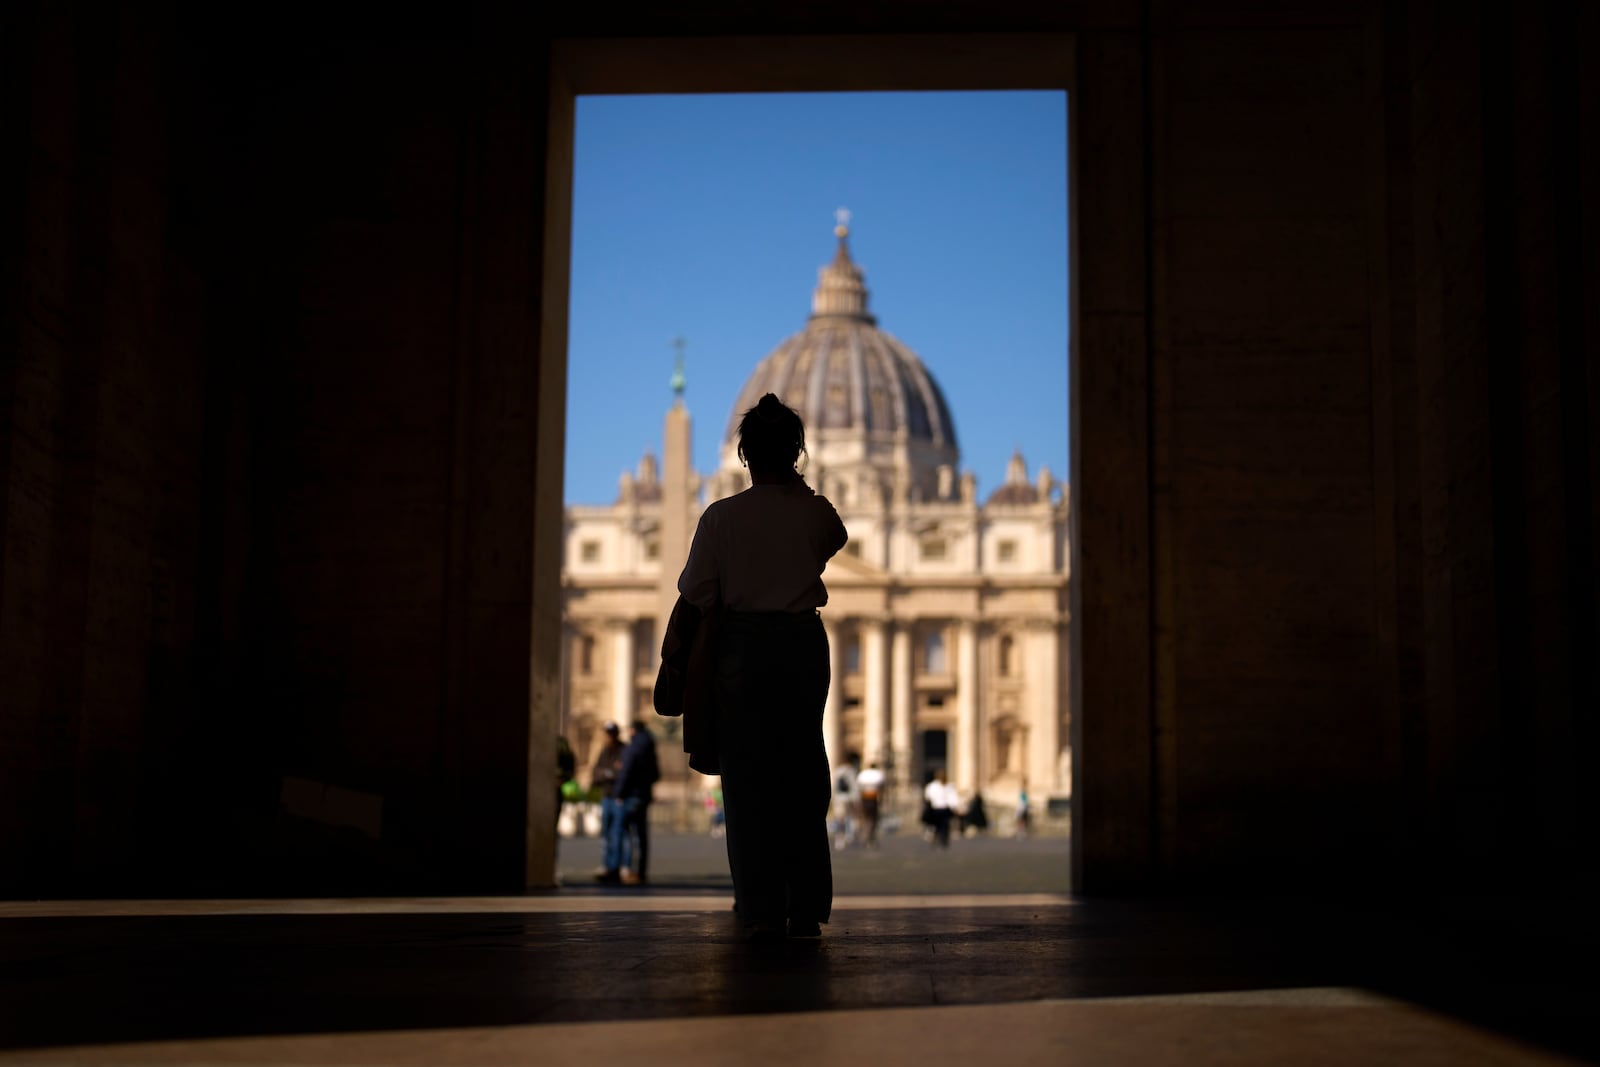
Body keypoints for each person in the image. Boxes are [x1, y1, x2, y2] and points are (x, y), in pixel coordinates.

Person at [677, 392, 848, 943]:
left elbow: (698, 592)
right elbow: (835, 536)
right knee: (802, 770)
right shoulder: (813, 511)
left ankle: (760, 904)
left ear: (745, 454)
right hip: (801, 645)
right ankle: (806, 904)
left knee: (748, 780)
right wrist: (794, 486)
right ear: (796, 451)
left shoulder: (722, 517)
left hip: (742, 651)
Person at [612, 720, 659, 885]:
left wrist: (619, 793)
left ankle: (625, 869)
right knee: (640, 835)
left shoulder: (632, 749)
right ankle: (640, 871)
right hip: (643, 795)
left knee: (623, 833)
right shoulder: (649, 747)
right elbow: (655, 774)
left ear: (632, 730)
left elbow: (626, 772)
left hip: (631, 795)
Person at [591, 722, 627, 883]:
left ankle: (617, 867)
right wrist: (610, 772)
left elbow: (622, 773)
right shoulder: (604, 751)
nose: (608, 736)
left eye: (611, 733)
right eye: (607, 733)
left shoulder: (624, 750)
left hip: (618, 797)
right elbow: (596, 773)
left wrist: (607, 773)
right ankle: (607, 865)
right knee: (606, 833)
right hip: (606, 796)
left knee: (618, 833)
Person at [831, 752, 862, 850]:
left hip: (838, 799)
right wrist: (857, 800)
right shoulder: (851, 771)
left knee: (839, 819)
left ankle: (839, 839)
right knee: (850, 818)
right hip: (848, 798)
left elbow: (834, 786)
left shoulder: (837, 771)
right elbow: (854, 787)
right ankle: (849, 836)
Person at [923, 767, 958, 849]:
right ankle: (938, 839)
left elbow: (952, 798)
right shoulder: (933, 786)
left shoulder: (947, 786)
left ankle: (942, 840)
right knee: (938, 826)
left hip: (942, 809)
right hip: (937, 809)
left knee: (944, 826)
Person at [857, 761, 885, 846]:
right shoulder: (878, 774)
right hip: (873, 798)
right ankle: (869, 836)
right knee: (873, 818)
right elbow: (882, 788)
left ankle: (866, 834)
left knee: (866, 817)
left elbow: (859, 786)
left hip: (864, 798)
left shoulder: (863, 774)